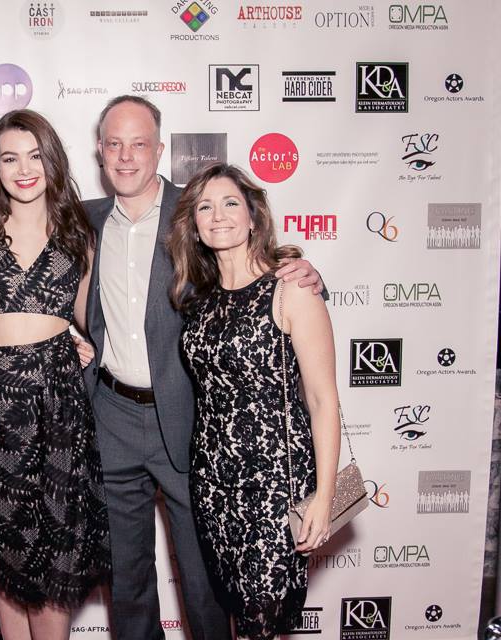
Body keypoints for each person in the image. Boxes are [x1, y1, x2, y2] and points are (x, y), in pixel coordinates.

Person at [81, 95, 323, 640]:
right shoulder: (87, 220)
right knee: (127, 580)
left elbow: (250, 268)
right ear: (99, 152)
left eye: (139, 143)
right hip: (112, 414)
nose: (126, 157)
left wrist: (304, 270)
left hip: (192, 423)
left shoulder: (193, 216)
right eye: (114, 144)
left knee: (205, 580)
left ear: (159, 150)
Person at [167, 162, 341, 640]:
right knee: (233, 612)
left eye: (230, 203)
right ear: (194, 225)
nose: (218, 215)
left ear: (253, 217)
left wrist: (323, 497)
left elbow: (324, 400)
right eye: (205, 206)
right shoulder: (198, 298)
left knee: (262, 620)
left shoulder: (291, 290)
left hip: (274, 484)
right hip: (212, 480)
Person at [0, 109, 110, 640]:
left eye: (35, 155)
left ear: (53, 160)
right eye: (9, 157)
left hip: (58, 409)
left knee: (55, 563)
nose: (24, 169)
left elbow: (96, 319)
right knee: (4, 561)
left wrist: (75, 338)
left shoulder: (80, 234)